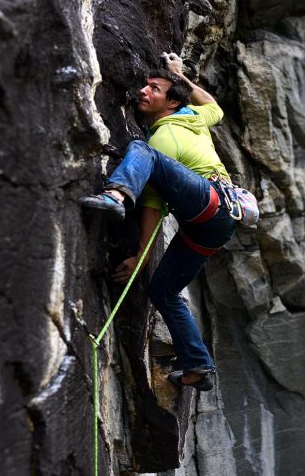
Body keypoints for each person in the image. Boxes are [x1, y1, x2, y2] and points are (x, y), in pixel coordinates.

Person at [80, 53, 234, 391]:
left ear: (171, 102)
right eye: (145, 86)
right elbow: (214, 107)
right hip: (216, 222)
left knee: (142, 150)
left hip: (209, 202)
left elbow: (152, 204)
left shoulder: (163, 138)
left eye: (154, 88)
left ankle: (116, 195)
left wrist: (141, 254)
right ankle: (198, 366)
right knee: (163, 291)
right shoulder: (194, 115)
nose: (143, 92)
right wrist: (179, 74)